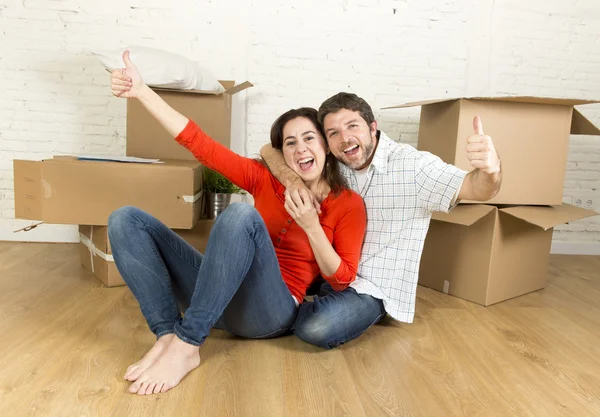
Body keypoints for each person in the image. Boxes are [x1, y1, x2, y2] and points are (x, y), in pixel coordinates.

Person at [107, 52, 367, 395]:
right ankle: (168, 334)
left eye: (309, 138)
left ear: (325, 146)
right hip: (214, 300)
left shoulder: (348, 203)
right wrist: (142, 92)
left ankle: (187, 345)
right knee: (125, 219)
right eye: (290, 142)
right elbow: (199, 143)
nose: (300, 148)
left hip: (269, 312)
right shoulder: (263, 178)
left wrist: (311, 225)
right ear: (282, 153)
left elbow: (343, 278)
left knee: (241, 214)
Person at [260, 92, 502, 349]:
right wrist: (294, 181)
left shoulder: (414, 167)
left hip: (370, 288)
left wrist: (491, 169)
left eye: (352, 126)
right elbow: (269, 150)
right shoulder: (333, 160)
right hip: (329, 268)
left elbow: (476, 188)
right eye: (333, 133)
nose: (345, 139)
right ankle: (279, 307)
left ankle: (275, 316)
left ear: (373, 127)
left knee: (317, 327)